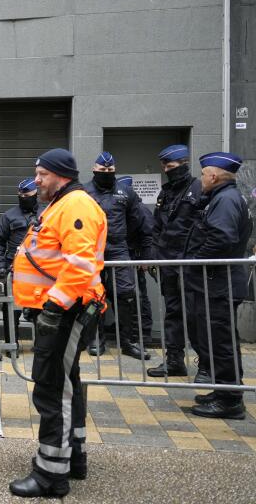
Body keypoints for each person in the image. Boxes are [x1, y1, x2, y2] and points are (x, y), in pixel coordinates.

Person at [9, 148, 107, 498]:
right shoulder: (59, 203)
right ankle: (73, 457)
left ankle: (51, 475)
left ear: (61, 175)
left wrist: (54, 307)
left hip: (66, 313)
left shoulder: (75, 205)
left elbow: (80, 266)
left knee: (51, 389)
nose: (37, 180)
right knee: (65, 384)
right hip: (61, 312)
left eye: (42, 174)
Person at [184, 152, 252, 419]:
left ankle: (230, 400)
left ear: (213, 176)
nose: (200, 179)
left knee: (221, 341)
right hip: (219, 281)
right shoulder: (229, 197)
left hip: (218, 283)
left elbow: (221, 240)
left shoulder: (224, 200)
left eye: (203, 174)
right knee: (219, 340)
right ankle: (223, 390)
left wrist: (194, 263)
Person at [84, 152, 152, 360]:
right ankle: (96, 339)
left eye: (110, 171)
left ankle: (129, 342)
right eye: (103, 170)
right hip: (91, 250)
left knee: (126, 294)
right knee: (93, 296)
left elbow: (137, 221)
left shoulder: (126, 192)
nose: (106, 173)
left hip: (118, 249)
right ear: (95, 170)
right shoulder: (84, 192)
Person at [147, 144, 204, 378]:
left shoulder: (198, 189)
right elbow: (157, 228)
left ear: (183, 165)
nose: (167, 171)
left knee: (195, 316)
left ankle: (206, 365)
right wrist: (154, 256)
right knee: (173, 314)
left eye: (171, 167)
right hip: (169, 264)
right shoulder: (166, 193)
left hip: (190, 265)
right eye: (165, 167)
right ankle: (174, 361)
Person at [0, 178, 40, 352]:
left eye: (27, 194)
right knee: (12, 308)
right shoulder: (9, 215)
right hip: (15, 269)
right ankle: (13, 344)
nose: (23, 197)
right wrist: (0, 265)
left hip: (40, 270)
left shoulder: (46, 214)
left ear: (36, 194)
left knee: (40, 307)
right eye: (20, 194)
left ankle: (41, 345)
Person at [118, 175, 154, 348]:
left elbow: (149, 235)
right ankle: (128, 328)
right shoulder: (124, 209)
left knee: (139, 296)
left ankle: (143, 333)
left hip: (135, 258)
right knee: (126, 296)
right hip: (125, 257)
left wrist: (146, 259)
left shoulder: (139, 209)